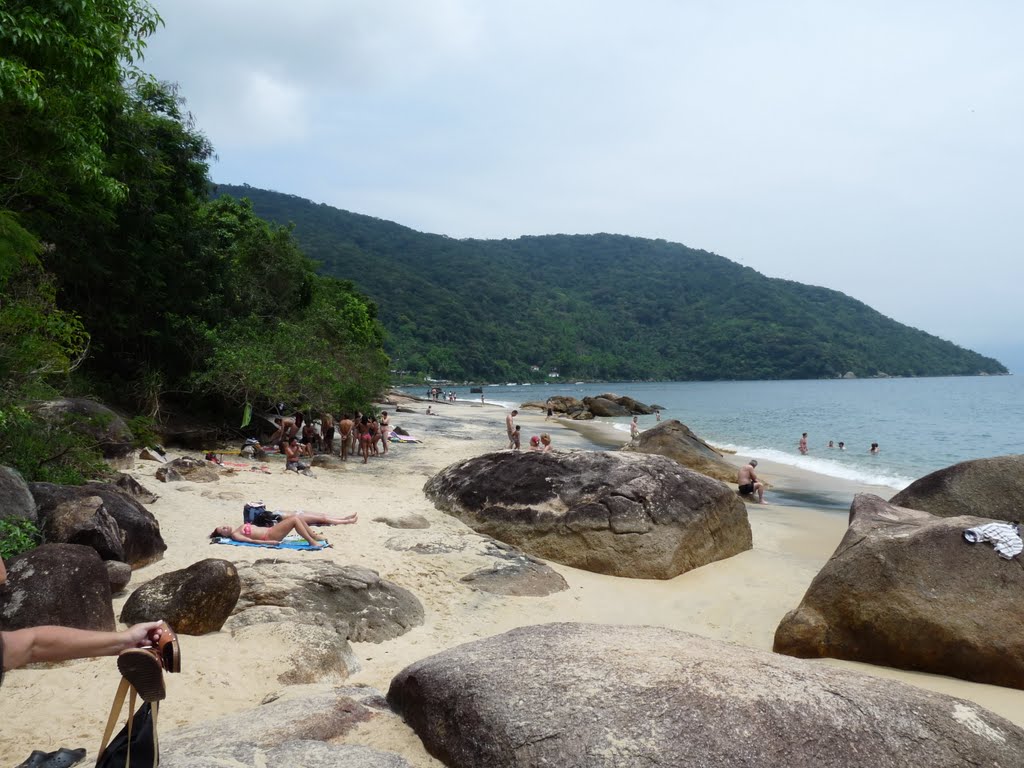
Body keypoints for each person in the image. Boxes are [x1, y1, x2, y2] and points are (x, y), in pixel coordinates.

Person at [210, 515, 330, 548]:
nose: (226, 527)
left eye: (224, 526)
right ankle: (311, 541)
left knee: (297, 518)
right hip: (269, 536)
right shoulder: (236, 535)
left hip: (271, 531)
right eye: (223, 529)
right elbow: (251, 541)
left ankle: (313, 536)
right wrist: (270, 543)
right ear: (224, 535)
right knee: (294, 520)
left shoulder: (237, 529)